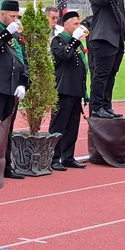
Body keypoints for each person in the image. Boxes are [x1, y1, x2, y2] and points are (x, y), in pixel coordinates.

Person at [0, 0, 29, 180]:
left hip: (12, 87)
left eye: (17, 16)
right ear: (2, 14)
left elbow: (23, 58)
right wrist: (6, 33)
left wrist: (23, 82)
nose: (15, 19)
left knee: (7, 129)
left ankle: (5, 165)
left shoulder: (16, 33)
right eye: (12, 16)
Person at [88, 0, 125, 119]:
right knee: (101, 74)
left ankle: (106, 105)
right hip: (103, 38)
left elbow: (123, 17)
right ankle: (96, 107)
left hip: (117, 39)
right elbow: (101, 0)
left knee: (111, 75)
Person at [49, 11, 88, 171]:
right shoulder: (58, 40)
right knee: (59, 125)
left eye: (79, 24)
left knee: (73, 126)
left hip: (75, 89)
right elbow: (65, 55)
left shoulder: (76, 43)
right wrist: (74, 40)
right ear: (65, 25)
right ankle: (53, 157)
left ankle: (68, 156)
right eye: (75, 24)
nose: (78, 27)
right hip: (63, 89)